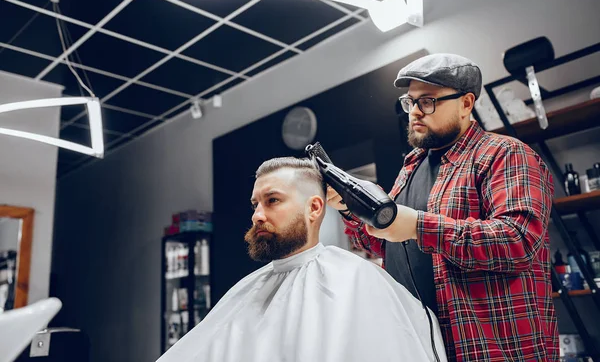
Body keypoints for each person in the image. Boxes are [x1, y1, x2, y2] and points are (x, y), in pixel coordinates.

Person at [327, 53, 558, 361]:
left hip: (491, 349)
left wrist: (416, 226)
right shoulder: (411, 167)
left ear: (466, 103)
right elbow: (388, 245)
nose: (414, 113)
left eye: (428, 101)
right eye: (410, 102)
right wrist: (349, 207)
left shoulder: (504, 154)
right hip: (421, 346)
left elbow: (518, 240)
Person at [157, 157, 447, 362]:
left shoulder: (356, 281)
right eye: (255, 204)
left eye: (272, 200)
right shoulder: (247, 289)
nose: (257, 215)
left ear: (315, 207)